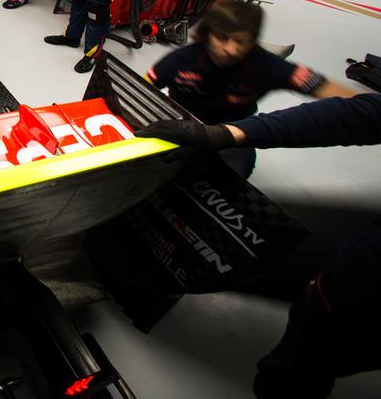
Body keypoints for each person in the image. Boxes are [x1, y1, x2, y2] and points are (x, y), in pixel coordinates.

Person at [135, 93, 381, 399]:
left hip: (362, 286)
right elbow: (362, 113)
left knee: (309, 351)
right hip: (362, 253)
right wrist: (227, 133)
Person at [144, 0, 358, 176]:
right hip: (182, 123)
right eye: (222, 38)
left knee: (232, 177)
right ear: (207, 33)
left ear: (253, 41)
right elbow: (143, 89)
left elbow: (329, 89)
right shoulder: (181, 59)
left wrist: (370, 112)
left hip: (232, 131)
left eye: (240, 41)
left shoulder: (268, 66)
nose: (230, 49)